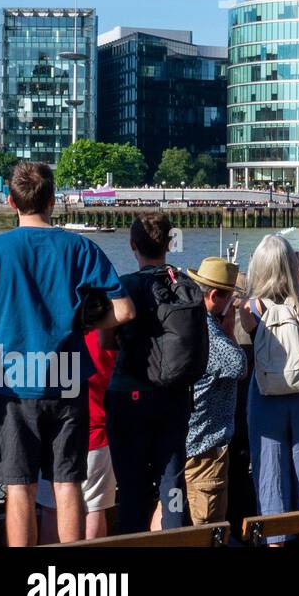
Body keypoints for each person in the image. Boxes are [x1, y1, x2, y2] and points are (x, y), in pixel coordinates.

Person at [0, 161, 136, 546]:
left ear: (12, 202)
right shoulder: (79, 247)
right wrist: (82, 326)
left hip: (11, 382)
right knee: (67, 485)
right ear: (52, 200)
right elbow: (125, 310)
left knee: (20, 488)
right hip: (67, 380)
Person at [106, 213, 204, 534]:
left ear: (133, 245)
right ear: (168, 243)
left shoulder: (125, 286)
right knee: (172, 484)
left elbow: (107, 342)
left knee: (133, 491)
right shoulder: (186, 286)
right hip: (174, 399)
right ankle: (175, 537)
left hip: (129, 398)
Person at [239, 234, 299, 546]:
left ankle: (275, 542)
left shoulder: (249, 308)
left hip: (265, 395)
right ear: (290, 264)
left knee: (269, 471)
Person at [185, 257, 249, 527]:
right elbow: (240, 365)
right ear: (214, 296)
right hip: (206, 446)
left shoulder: (185, 320)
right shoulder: (210, 331)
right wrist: (230, 328)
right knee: (209, 523)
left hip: (183, 437)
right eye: (230, 298)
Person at [36, 327, 115, 543]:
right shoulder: (104, 332)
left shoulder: (48, 332)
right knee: (94, 508)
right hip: (96, 427)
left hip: (51, 432)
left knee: (52, 509)